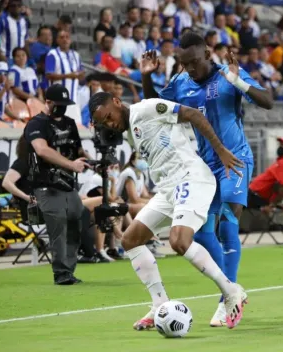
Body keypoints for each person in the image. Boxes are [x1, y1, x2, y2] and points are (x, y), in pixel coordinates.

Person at [140, 31, 273, 326]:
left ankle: (227, 300)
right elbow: (155, 108)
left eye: (194, 62)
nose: (190, 69)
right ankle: (230, 291)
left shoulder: (228, 74)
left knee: (228, 216)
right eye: (184, 63)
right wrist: (147, 77)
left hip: (235, 158)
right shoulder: (180, 83)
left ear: (207, 54)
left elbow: (268, 101)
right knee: (200, 233)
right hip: (204, 166)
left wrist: (239, 83)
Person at [88, 89, 248, 330]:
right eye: (104, 123)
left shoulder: (145, 109)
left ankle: (231, 292)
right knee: (130, 239)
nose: (109, 124)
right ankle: (158, 304)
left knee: (179, 241)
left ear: (118, 102)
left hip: (191, 178)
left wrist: (221, 151)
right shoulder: (130, 129)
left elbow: (193, 114)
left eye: (109, 117)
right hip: (167, 190)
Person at [24, 84, 90, 285]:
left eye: (65, 104)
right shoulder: (36, 124)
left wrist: (92, 162)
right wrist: (71, 164)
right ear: (48, 102)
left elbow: (79, 151)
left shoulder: (70, 123)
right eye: (58, 104)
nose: (62, 108)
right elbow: (42, 150)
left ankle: (68, 269)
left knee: (76, 220)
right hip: (47, 185)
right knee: (58, 227)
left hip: (68, 184)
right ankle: (61, 273)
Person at [248, 137, 283, 213]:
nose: (281, 147)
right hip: (255, 198)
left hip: (254, 198)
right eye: (280, 145)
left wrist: (272, 205)